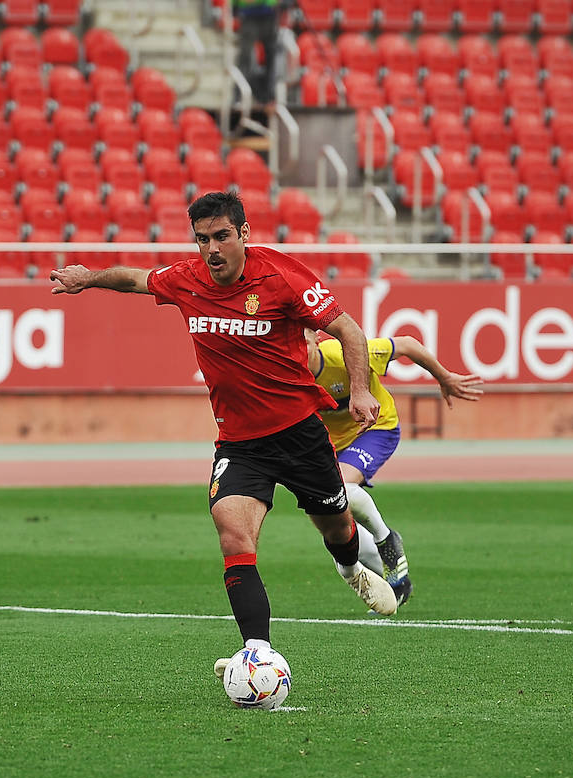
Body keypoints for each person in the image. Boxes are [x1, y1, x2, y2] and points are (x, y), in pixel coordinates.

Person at [48, 191, 398, 683]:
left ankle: (349, 568)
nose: (211, 249)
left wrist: (360, 391)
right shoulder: (187, 280)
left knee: (338, 532)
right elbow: (134, 279)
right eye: (202, 239)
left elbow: (349, 330)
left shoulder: (282, 277)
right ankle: (257, 654)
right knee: (234, 534)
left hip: (300, 434)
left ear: (244, 234)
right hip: (240, 444)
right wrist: (88, 279)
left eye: (221, 237)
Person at [307, 330, 483, 607]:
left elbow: (407, 345)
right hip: (327, 446)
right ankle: (395, 583)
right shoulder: (285, 372)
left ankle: (386, 539)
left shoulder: (343, 355)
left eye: (301, 342)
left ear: (317, 339)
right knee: (333, 520)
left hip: (376, 429)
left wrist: (444, 377)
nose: (295, 350)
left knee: (337, 489)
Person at [234, 0, 286, 105]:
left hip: (269, 16)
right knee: (245, 58)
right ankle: (239, 95)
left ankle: (269, 96)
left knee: (272, 57)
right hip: (248, 17)